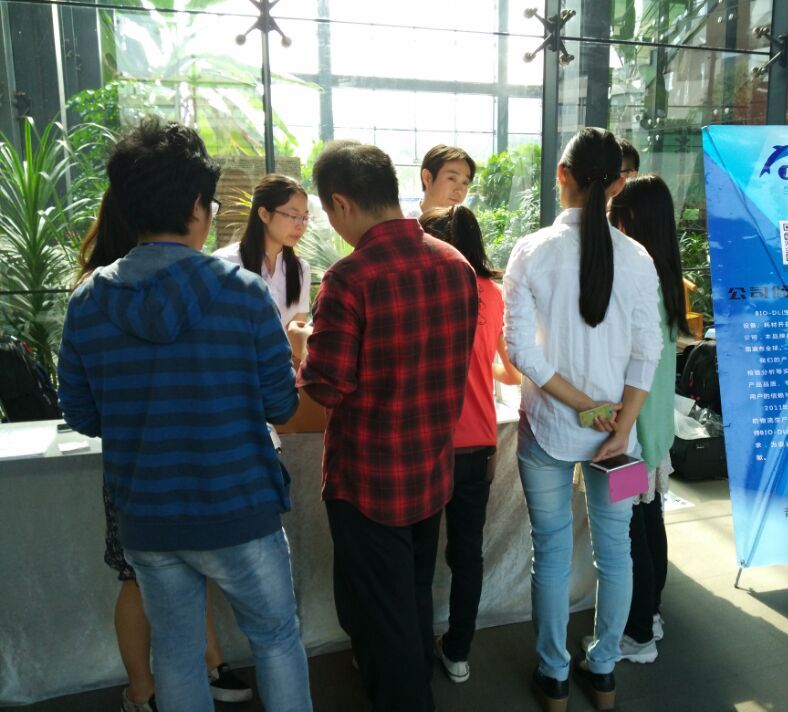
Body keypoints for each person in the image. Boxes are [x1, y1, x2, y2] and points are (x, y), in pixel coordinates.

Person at [58, 118, 312, 712]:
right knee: (276, 639)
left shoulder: (88, 301)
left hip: (148, 515)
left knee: (175, 653)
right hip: (240, 508)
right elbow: (281, 404)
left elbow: (83, 415)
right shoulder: (244, 293)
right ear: (199, 205)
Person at [287, 141, 477, 712]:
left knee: (380, 616)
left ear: (342, 203)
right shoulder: (456, 264)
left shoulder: (350, 278)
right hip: (431, 471)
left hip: (368, 483)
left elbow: (326, 387)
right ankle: (414, 682)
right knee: (412, 599)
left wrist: (303, 344)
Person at [503, 127, 662, 712]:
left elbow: (522, 351)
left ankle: (553, 677)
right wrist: (620, 424)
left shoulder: (531, 251)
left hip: (547, 431)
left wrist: (579, 406)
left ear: (562, 175)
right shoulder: (638, 257)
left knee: (549, 551)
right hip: (622, 441)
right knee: (616, 551)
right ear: (618, 184)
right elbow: (649, 350)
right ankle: (603, 671)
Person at [76, 190, 254, 711]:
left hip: (148, 460)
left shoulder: (107, 287)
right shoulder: (109, 288)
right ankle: (146, 687)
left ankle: (200, 665)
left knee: (175, 573)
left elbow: (85, 408)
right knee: (142, 578)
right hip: (151, 462)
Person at [418, 205, 522, 684]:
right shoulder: (492, 293)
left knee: (418, 558)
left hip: (425, 444)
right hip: (478, 441)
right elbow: (512, 371)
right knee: (467, 555)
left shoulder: (421, 287)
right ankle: (458, 652)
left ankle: (414, 653)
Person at [607, 174, 690, 663]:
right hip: (655, 427)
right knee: (649, 517)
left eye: (616, 213)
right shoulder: (668, 275)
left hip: (631, 432)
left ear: (632, 218)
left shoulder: (638, 278)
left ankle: (637, 633)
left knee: (629, 531)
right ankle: (651, 613)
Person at [213, 174, 311, 330]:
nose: (301, 225)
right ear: (264, 214)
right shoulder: (225, 263)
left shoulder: (301, 269)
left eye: (305, 217)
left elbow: (297, 333)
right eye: (293, 216)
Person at [406, 144, 476, 218]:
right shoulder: (406, 222)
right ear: (427, 178)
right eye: (451, 178)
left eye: (465, 183)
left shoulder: (465, 223)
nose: (459, 191)